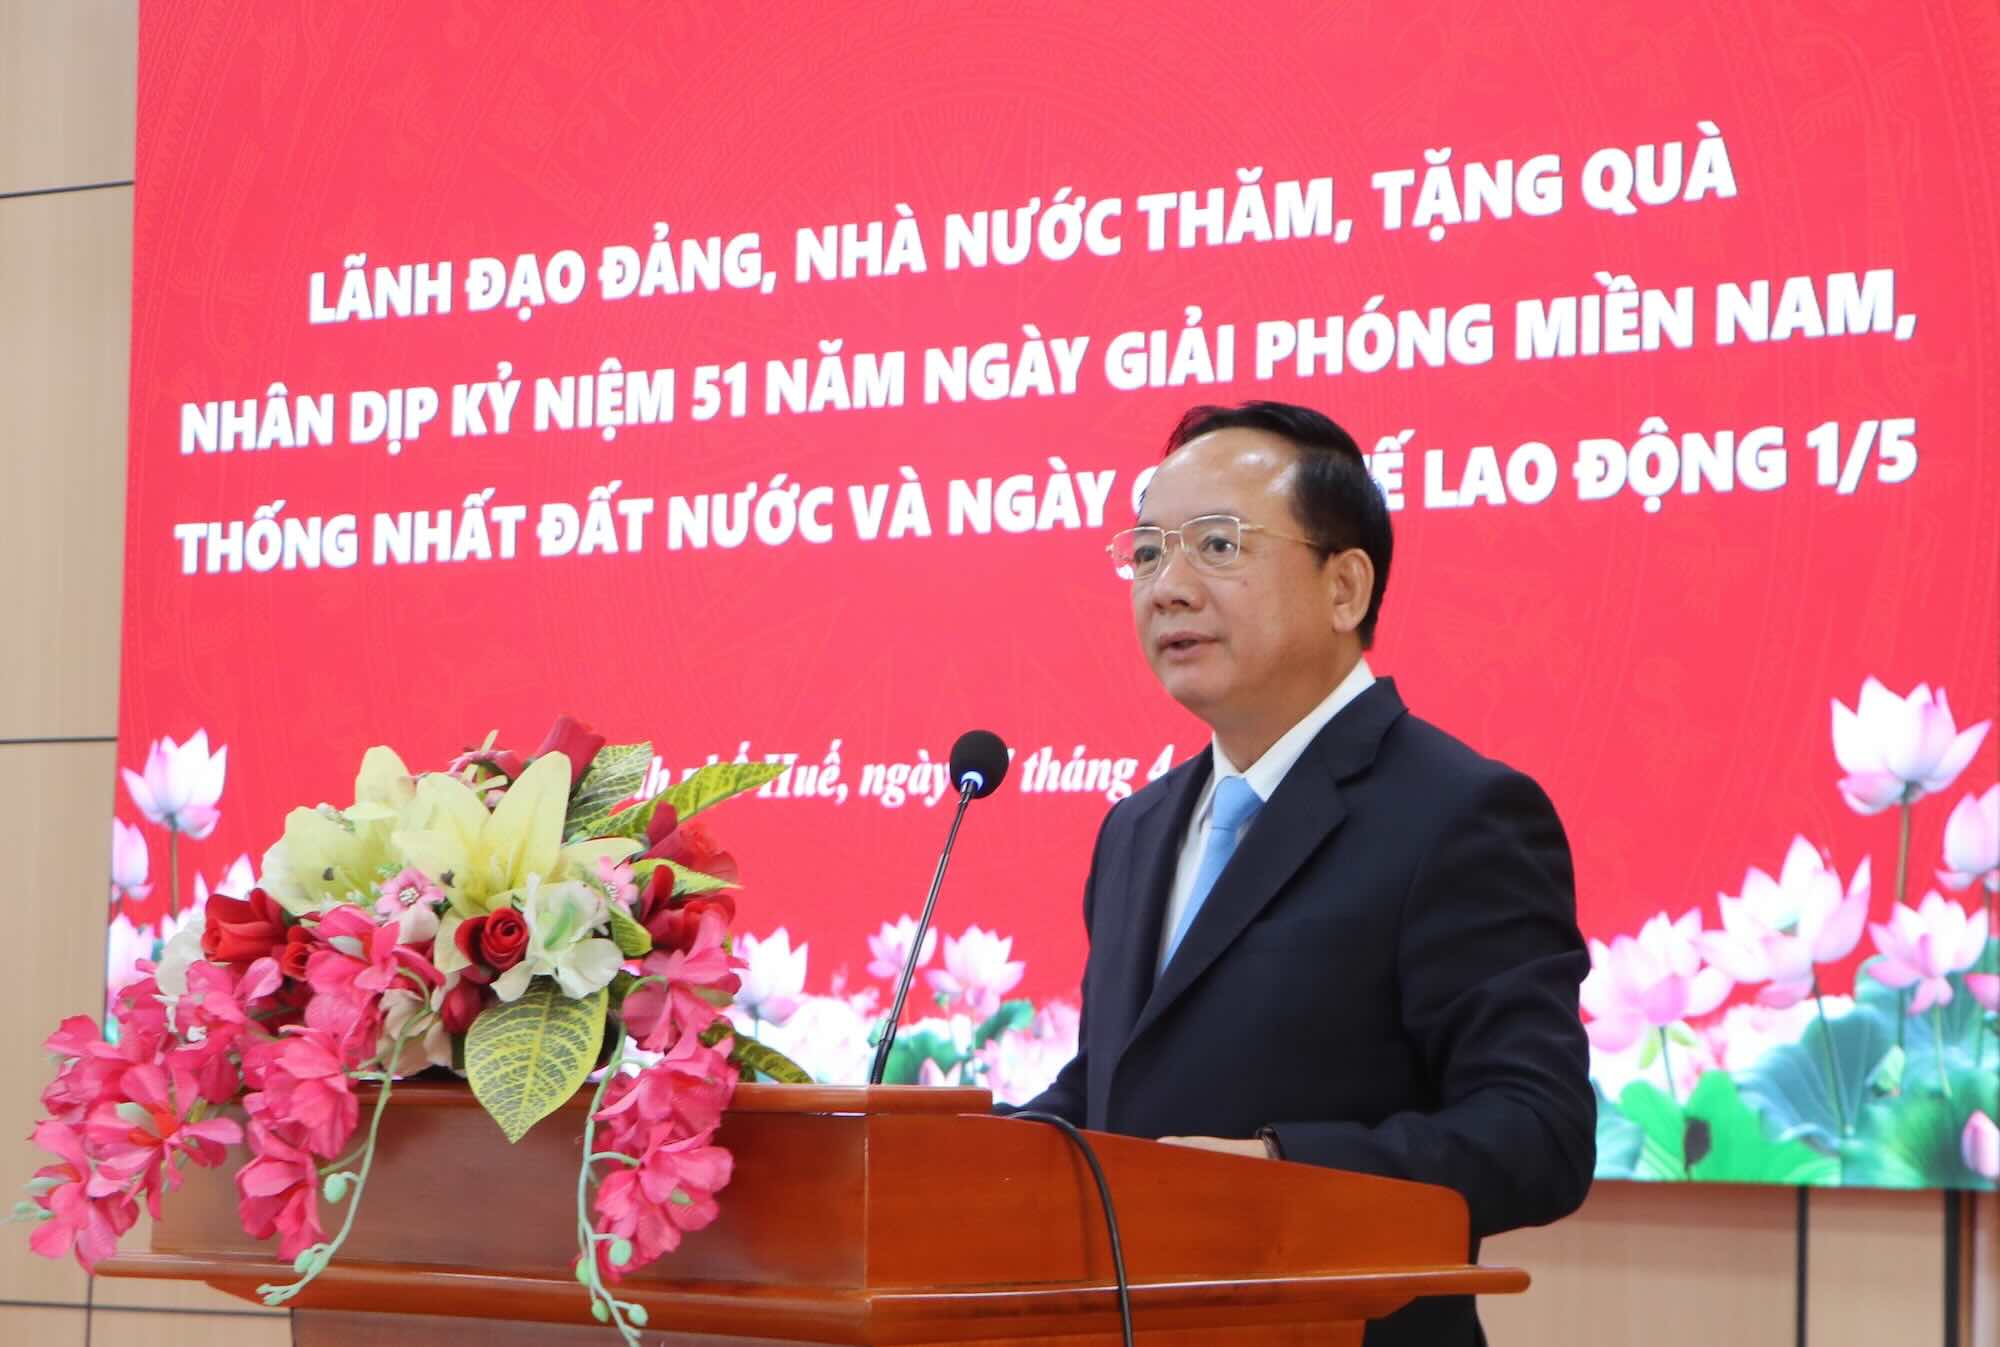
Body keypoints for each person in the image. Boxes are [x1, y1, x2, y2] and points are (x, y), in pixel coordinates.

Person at [1018, 400, 1595, 1347]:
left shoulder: (1458, 814)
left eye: (1216, 544)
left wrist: (1278, 1166)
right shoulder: (1138, 827)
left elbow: (1538, 1133)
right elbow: (1119, 1090)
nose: (1167, 586)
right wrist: (960, 1154)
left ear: (1346, 586)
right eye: (1148, 551)